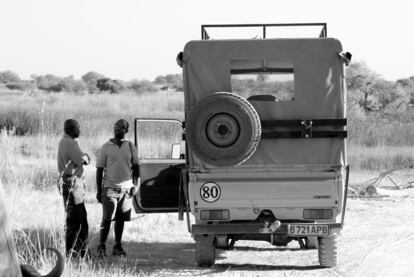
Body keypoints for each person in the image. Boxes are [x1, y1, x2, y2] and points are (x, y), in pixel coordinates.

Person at [96, 119, 139, 257]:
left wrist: (136, 185)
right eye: (115, 126)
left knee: (120, 219)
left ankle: (117, 246)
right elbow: (99, 170)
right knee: (107, 218)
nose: (117, 128)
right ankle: (101, 246)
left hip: (126, 189)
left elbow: (137, 167)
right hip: (110, 188)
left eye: (121, 127)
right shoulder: (106, 147)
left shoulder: (131, 146)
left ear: (126, 130)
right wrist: (99, 190)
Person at [57, 119, 90, 258]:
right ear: (71, 129)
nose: (79, 130)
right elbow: (83, 160)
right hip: (73, 184)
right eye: (78, 127)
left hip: (67, 182)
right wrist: (87, 156)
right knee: (76, 221)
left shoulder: (63, 141)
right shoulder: (70, 143)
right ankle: (72, 253)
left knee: (79, 219)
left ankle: (81, 252)